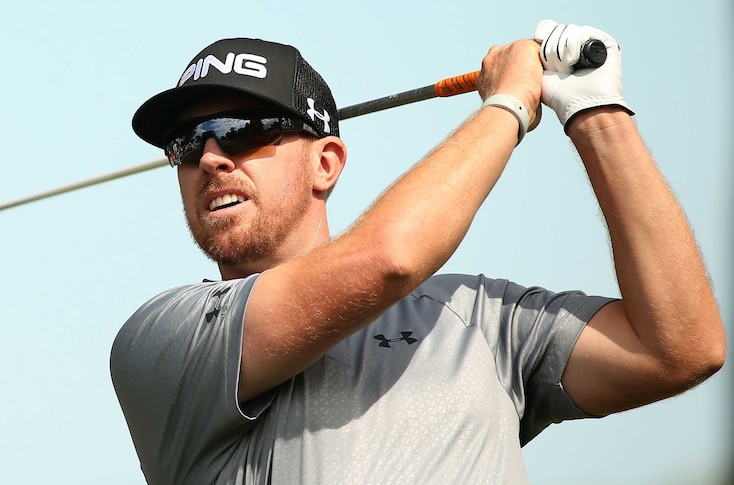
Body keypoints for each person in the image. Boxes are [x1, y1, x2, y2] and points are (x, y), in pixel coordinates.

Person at [110, 19, 726, 484]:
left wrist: (596, 112)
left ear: (325, 163)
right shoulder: (164, 340)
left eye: (243, 131)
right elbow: (390, 259)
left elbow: (681, 348)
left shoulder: (479, 318)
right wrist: (508, 104)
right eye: (188, 145)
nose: (211, 158)